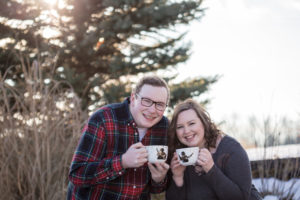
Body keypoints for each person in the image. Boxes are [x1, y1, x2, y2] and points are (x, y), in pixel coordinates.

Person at [67, 76, 170, 200]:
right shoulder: (103, 118)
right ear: (133, 98)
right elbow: (77, 175)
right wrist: (123, 162)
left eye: (160, 104)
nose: (153, 110)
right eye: (146, 101)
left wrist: (159, 179)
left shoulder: (164, 127)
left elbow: (155, 188)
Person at [166, 99, 262, 200]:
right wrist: (178, 177)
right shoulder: (181, 155)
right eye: (180, 127)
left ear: (204, 122)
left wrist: (211, 169)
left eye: (191, 123)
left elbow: (241, 198)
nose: (186, 131)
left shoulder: (231, 149)